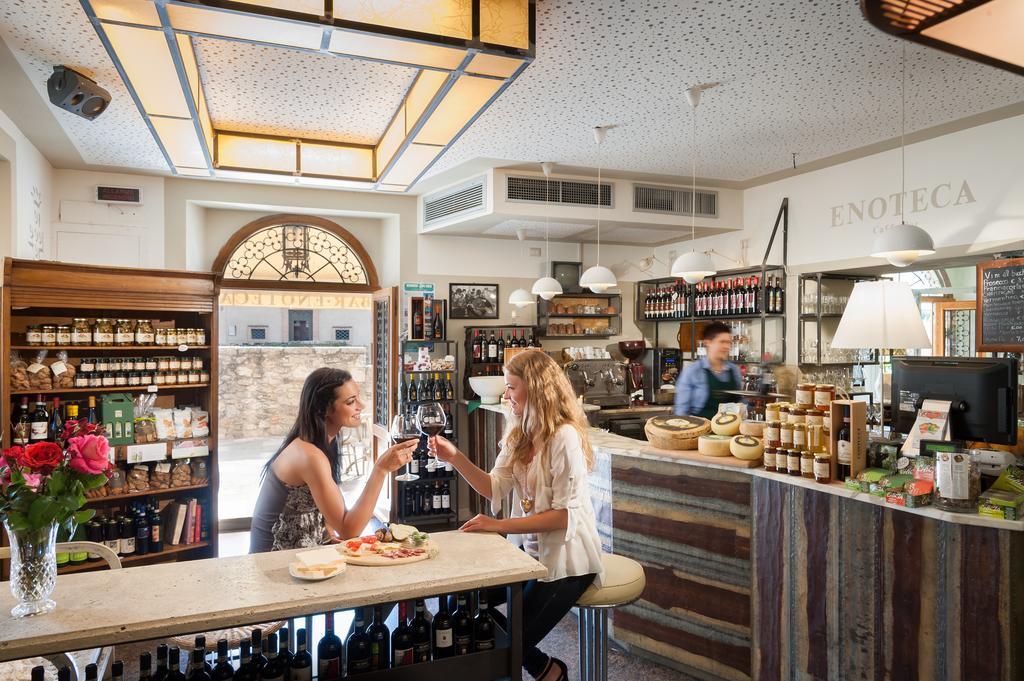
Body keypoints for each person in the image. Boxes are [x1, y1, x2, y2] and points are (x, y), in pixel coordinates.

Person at [430, 350, 604, 681]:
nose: (506, 395)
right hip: (530, 557)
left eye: (511, 387)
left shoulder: (564, 437)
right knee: (461, 602)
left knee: (507, 643)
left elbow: (564, 517)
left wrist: (498, 526)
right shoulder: (519, 431)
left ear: (536, 388)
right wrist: (455, 458)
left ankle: (542, 670)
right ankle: (547, 670)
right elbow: (494, 487)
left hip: (567, 564)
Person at [249, 368, 416, 553]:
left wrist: (327, 535)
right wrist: (381, 470)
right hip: (273, 562)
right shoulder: (311, 456)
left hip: (304, 553)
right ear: (325, 409)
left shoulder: (322, 442)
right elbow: (348, 530)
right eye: (351, 401)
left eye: (358, 397)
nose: (361, 405)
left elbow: (325, 509)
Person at [674, 321, 742, 418]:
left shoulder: (734, 370)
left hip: (730, 430)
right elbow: (681, 411)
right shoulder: (692, 371)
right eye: (722, 342)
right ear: (708, 343)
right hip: (700, 429)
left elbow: (740, 403)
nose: (727, 347)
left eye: (729, 343)